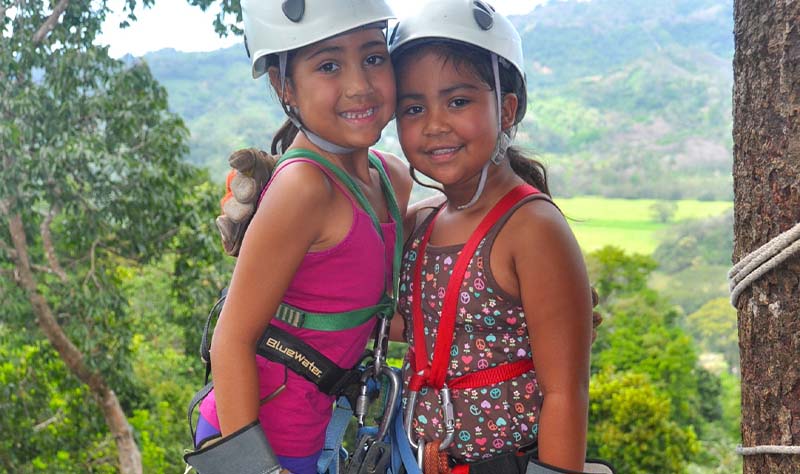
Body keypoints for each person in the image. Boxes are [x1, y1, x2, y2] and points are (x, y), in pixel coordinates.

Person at [187, 1, 413, 473]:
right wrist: (253, 468)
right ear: (283, 85)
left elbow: (369, 313)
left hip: (315, 435)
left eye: (374, 57)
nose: (359, 85)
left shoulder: (390, 179)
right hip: (262, 439)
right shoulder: (304, 187)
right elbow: (231, 339)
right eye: (328, 65)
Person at [388, 0, 594, 471]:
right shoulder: (420, 223)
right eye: (413, 108)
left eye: (458, 101)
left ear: (506, 108)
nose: (435, 124)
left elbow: (565, 392)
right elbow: (409, 324)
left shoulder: (531, 227)